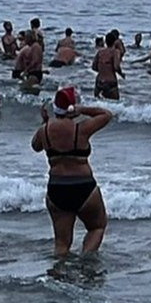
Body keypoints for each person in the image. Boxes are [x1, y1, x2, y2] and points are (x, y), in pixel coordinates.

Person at [30, 88, 112, 256]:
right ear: (71, 108)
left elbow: (35, 146)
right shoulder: (81, 129)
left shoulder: (44, 131)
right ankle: (86, 260)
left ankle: (59, 276)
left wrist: (45, 123)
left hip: (57, 188)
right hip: (84, 187)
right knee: (97, 227)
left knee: (61, 243)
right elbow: (106, 114)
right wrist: (82, 109)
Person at [92, 31, 124, 100]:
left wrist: (103, 69)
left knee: (97, 106)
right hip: (110, 82)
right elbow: (116, 67)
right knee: (115, 105)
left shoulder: (100, 52)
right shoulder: (115, 52)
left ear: (105, 42)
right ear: (114, 42)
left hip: (99, 82)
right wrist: (121, 74)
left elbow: (94, 67)